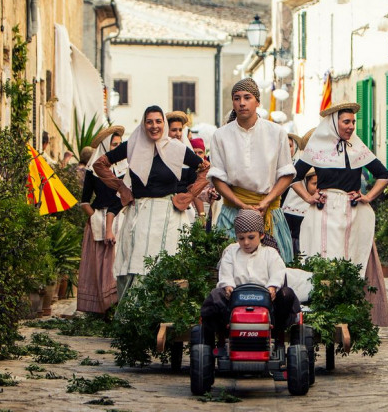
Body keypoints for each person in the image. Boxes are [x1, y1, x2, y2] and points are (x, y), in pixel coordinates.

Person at [290, 102, 388, 326]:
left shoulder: (358, 148)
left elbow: (383, 175)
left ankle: (350, 314)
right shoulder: (317, 148)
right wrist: (309, 197)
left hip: (352, 213)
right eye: (346, 122)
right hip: (324, 214)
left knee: (352, 260)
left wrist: (368, 197)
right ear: (335, 124)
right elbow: (293, 177)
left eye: (353, 122)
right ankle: (324, 313)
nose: (351, 127)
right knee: (322, 259)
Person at [92, 105, 204, 299]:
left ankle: (165, 315)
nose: (154, 126)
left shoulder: (176, 148)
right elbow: (100, 164)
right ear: (143, 124)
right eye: (149, 121)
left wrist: (189, 195)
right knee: (136, 264)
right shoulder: (132, 145)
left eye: (158, 121)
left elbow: (205, 168)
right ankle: (135, 319)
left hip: (169, 216)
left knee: (168, 265)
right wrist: (121, 188)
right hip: (140, 215)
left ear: (164, 124)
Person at [208, 78, 296, 262]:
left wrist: (265, 202)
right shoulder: (220, 135)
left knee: (275, 273)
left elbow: (286, 174)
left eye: (247, 97)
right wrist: (241, 205)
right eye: (236, 98)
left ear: (257, 101)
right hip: (232, 211)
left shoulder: (276, 132)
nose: (241, 103)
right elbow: (217, 178)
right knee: (229, 270)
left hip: (269, 211)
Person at [200, 210, 300, 350]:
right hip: (235, 302)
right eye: (241, 238)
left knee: (286, 294)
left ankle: (278, 335)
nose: (246, 242)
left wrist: (272, 287)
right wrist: (228, 286)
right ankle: (221, 338)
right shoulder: (231, 252)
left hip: (267, 303)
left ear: (261, 235)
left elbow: (278, 272)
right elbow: (225, 273)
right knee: (216, 295)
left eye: (251, 237)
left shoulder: (270, 253)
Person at [76, 127, 124, 314]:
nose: (117, 149)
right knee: (100, 265)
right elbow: (85, 200)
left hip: (121, 218)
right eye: (114, 145)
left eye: (119, 145)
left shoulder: (125, 168)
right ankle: (102, 309)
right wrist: (94, 217)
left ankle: (117, 306)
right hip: (99, 220)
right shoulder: (92, 170)